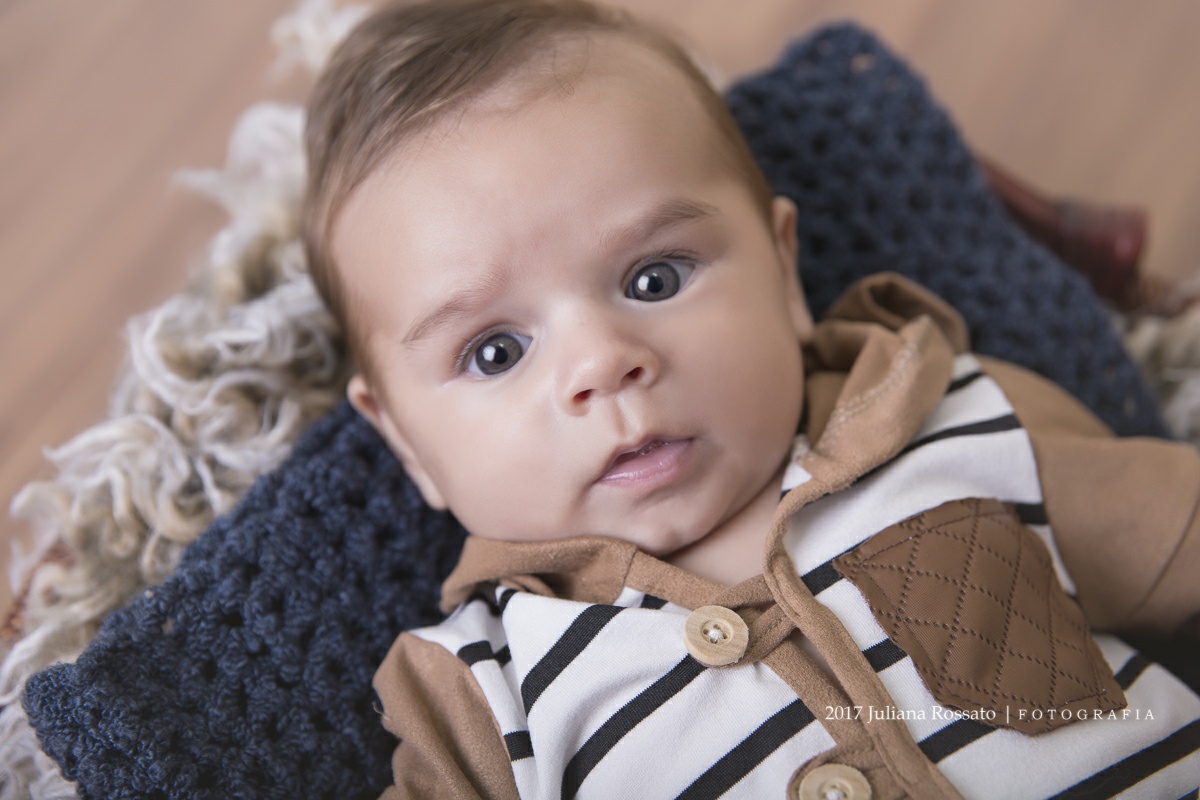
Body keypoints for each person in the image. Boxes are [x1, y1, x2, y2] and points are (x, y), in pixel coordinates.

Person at [301, 0, 1200, 797]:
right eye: (495, 351)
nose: (604, 363)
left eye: (654, 278)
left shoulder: (950, 425)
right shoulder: (487, 702)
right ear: (407, 443)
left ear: (784, 271)